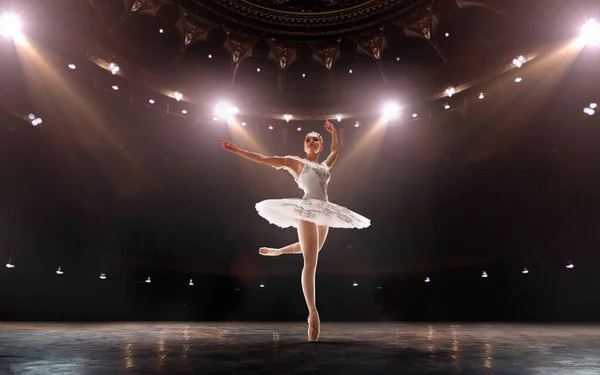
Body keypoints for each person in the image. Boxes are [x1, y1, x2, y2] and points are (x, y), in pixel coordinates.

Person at [219, 117, 370, 342]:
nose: (311, 141)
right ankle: (313, 313)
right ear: (304, 146)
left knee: (314, 249)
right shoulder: (295, 162)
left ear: (320, 146)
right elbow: (264, 159)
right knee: (311, 262)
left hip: (325, 211)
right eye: (308, 139)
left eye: (315, 140)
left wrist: (333, 133)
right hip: (307, 209)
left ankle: (279, 251)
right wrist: (238, 150)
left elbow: (336, 150)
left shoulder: (325, 165)